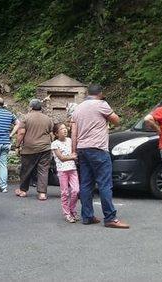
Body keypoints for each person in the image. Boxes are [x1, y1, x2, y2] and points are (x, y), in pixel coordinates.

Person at [71, 84, 129, 228]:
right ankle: (110, 218)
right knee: (104, 183)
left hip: (82, 149)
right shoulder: (101, 104)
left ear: (87, 93)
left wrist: (74, 151)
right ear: (100, 93)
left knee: (86, 184)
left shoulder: (78, 108)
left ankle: (87, 216)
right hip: (98, 148)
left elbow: (73, 132)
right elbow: (117, 120)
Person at [15, 99, 53, 200]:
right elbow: (51, 133)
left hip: (29, 148)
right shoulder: (47, 119)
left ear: (31, 107)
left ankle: (23, 191)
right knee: (43, 170)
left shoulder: (26, 118)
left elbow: (21, 133)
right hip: (45, 148)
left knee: (26, 169)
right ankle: (42, 193)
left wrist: (17, 146)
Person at [51, 123, 79, 223]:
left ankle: (72, 209)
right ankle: (67, 213)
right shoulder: (55, 144)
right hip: (62, 171)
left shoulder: (70, 140)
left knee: (76, 190)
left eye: (65, 128)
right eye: (61, 129)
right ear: (56, 133)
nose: (65, 130)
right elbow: (61, 158)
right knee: (65, 193)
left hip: (72, 169)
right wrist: (72, 157)